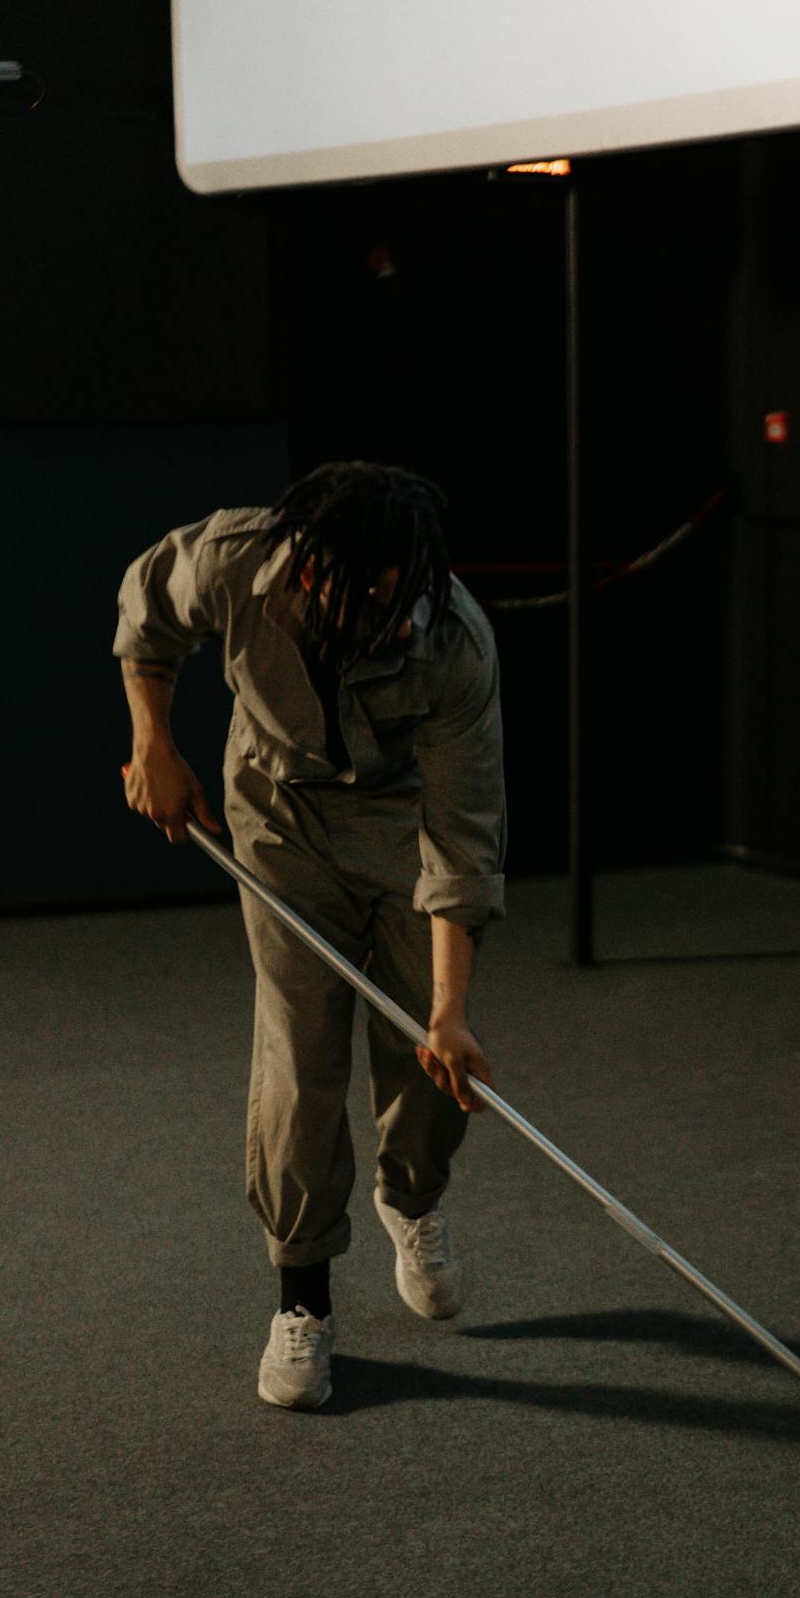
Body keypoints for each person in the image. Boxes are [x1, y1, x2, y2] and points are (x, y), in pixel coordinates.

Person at [114, 461, 506, 1411]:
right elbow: (146, 620)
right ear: (310, 566)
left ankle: (410, 1198)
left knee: (426, 1050)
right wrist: (153, 743)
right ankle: (304, 1298)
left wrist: (450, 1012)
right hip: (278, 812)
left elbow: (461, 844)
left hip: (402, 820)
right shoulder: (235, 559)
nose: (385, 616)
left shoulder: (453, 640)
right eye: (362, 593)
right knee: (302, 1051)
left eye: (397, 597)